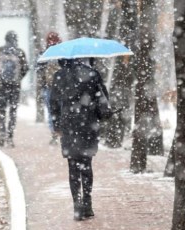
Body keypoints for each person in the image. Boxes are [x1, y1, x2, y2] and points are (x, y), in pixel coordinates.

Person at [49, 58, 110, 221]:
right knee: (86, 164)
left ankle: (77, 206)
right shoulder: (92, 73)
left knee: (73, 166)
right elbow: (103, 98)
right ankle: (88, 204)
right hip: (88, 123)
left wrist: (56, 125)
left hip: (68, 124)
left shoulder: (59, 76)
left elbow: (53, 102)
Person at [0, 31, 29, 148]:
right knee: (13, 111)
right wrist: (18, 79)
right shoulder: (20, 52)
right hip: (15, 86)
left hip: (1, 86)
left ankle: (2, 134)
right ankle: (10, 136)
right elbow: (25, 68)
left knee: (2, 111)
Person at [36, 32, 62, 145]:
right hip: (62, 87)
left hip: (49, 87)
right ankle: (62, 133)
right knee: (62, 110)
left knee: (52, 112)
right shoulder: (63, 53)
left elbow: (38, 69)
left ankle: (54, 134)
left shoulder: (44, 54)